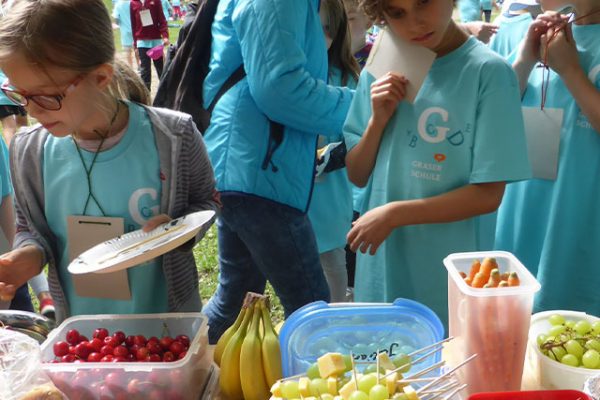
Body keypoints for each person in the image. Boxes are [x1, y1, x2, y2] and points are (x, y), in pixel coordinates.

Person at [0, 0, 218, 322]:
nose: (31, 111)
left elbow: (206, 201)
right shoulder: (29, 153)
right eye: (20, 95)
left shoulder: (175, 137)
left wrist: (179, 231)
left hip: (165, 328)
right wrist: (28, 255)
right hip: (83, 335)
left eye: (47, 96)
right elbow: (33, 229)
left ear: (101, 77)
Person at [344, 0, 531, 325]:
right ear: (381, 14)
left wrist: (394, 214)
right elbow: (357, 173)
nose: (415, 22)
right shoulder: (386, 60)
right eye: (397, 13)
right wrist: (377, 121)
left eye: (423, 3)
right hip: (382, 267)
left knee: (441, 365)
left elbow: (488, 194)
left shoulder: (489, 73)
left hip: (448, 273)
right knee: (382, 364)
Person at [201, 0, 353, 343]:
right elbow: (280, 89)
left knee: (236, 301)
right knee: (311, 304)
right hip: (258, 168)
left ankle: (185, 364)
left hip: (248, 165)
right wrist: (362, 107)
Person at [496, 1, 600, 314]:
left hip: (579, 224)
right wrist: (525, 60)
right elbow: (496, 113)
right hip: (523, 213)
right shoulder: (543, 32)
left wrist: (570, 70)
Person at [308, 0, 360, 303]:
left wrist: (329, 156)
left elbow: (356, 137)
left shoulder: (346, 80)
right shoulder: (282, 82)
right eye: (311, 30)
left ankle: (337, 316)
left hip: (330, 203)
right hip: (294, 204)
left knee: (333, 268)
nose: (318, 39)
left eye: (327, 30)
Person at [130, 0, 169, 90]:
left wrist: (165, 36)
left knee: (160, 68)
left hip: (156, 41)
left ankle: (165, 94)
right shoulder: (133, 3)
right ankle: (146, 96)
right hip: (141, 42)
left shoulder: (156, 1)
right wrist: (135, 43)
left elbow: (162, 20)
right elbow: (133, 24)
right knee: (145, 71)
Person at [113, 0, 138, 69]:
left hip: (125, 30)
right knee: (136, 48)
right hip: (135, 28)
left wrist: (116, 24)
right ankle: (139, 66)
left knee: (128, 50)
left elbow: (116, 18)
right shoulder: (132, 2)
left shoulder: (118, 4)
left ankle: (131, 67)